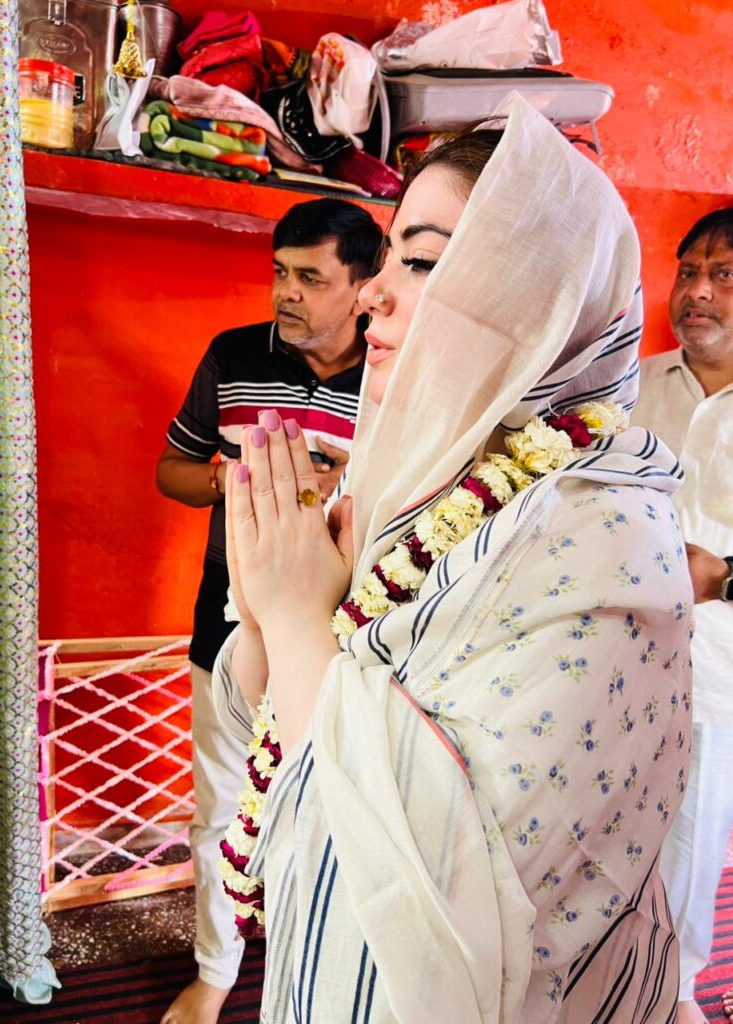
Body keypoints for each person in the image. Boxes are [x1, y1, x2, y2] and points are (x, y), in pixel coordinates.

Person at [216, 94, 694, 1022]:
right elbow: (267, 727)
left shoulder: (604, 540)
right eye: (390, 256)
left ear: (540, 306)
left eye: (425, 261)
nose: (372, 292)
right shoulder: (419, 480)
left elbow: (441, 897)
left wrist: (298, 619)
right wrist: (272, 610)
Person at [156, 197, 383, 1024]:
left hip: (353, 633)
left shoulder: (397, 371)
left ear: (363, 288)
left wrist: (341, 486)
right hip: (229, 619)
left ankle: (322, 968)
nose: (286, 292)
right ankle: (216, 973)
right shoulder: (234, 356)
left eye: (311, 278)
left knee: (341, 807)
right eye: (281, 273)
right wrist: (236, 478)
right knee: (222, 802)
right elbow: (172, 471)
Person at [631, 208, 733, 1024]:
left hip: (715, 676)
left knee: (687, 846)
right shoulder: (629, 387)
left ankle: (675, 996)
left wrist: (724, 578)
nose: (697, 291)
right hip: (608, 656)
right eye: (689, 270)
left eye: (724, 275)